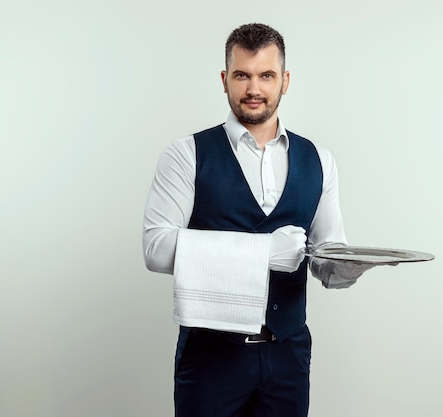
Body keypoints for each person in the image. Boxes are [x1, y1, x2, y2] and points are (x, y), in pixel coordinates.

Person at [142, 23, 375, 417]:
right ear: (224, 79)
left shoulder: (319, 159)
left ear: (284, 81)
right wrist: (264, 251)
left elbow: (325, 252)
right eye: (242, 75)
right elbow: (156, 250)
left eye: (266, 75)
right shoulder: (186, 155)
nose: (254, 89)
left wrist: (345, 268)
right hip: (211, 358)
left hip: (289, 356)